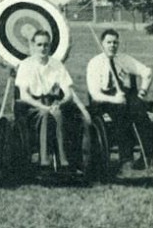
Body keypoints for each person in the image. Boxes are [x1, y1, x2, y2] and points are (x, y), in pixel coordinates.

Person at [86, 28, 153, 173]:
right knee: (121, 112)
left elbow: (147, 72)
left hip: (126, 95)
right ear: (102, 44)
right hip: (104, 100)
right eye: (109, 42)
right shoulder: (94, 63)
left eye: (115, 42)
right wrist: (114, 99)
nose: (112, 45)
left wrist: (142, 92)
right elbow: (94, 93)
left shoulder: (124, 59)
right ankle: (126, 159)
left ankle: (147, 154)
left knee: (140, 108)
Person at [15, 30, 77, 172]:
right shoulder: (25, 65)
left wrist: (59, 104)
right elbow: (24, 95)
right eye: (39, 45)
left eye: (46, 45)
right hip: (32, 106)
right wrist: (43, 106)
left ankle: (64, 161)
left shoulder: (57, 65)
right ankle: (44, 161)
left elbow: (69, 93)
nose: (43, 48)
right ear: (33, 46)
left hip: (53, 102)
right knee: (44, 114)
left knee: (58, 114)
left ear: (50, 46)